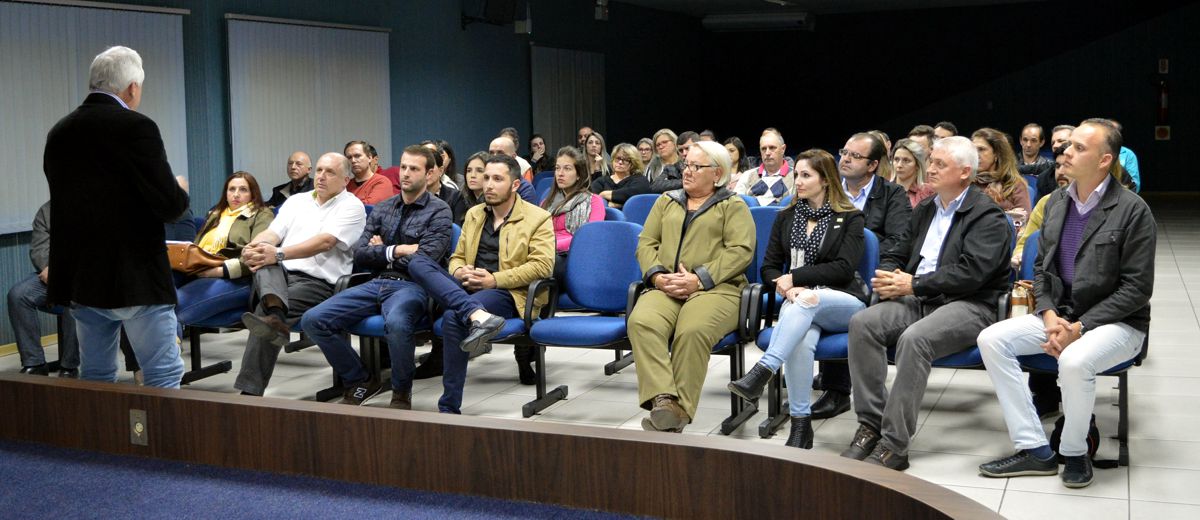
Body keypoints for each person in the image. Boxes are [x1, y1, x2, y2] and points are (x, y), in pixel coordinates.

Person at [977, 119, 1154, 489]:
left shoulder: (1132, 210)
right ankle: (1034, 449)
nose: (1065, 152)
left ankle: (1074, 452)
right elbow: (1042, 269)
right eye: (1067, 145)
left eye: (1078, 148)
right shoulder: (1057, 202)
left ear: (1104, 160)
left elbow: (1136, 289)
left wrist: (1079, 327)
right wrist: (1049, 314)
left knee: (1073, 360)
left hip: (1119, 323)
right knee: (991, 339)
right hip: (1063, 315)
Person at [843, 135, 1012, 471]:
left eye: (940, 164)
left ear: (964, 172)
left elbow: (971, 273)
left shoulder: (987, 215)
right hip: (920, 296)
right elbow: (898, 249)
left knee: (914, 339)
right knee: (863, 324)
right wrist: (889, 275)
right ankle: (870, 424)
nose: (930, 169)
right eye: (931, 161)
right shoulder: (926, 208)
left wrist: (914, 284)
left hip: (970, 304)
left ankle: (894, 444)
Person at [43, 46, 190, 388]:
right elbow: (170, 205)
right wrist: (179, 188)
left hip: (83, 277)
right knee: (162, 374)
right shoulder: (137, 127)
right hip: (134, 274)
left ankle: (100, 428)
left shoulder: (59, 132)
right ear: (132, 88)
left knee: (96, 376)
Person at [726, 149, 867, 448]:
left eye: (806, 175)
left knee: (804, 302)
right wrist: (787, 287)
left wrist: (796, 278)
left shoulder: (850, 217)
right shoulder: (786, 217)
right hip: (801, 302)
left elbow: (844, 268)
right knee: (801, 339)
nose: (798, 181)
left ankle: (763, 370)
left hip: (843, 301)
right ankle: (801, 428)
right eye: (797, 175)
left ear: (826, 180)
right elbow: (769, 267)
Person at [303, 145, 453, 408]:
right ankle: (360, 379)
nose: (405, 173)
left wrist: (382, 250)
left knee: (397, 323)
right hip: (376, 282)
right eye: (403, 167)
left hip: (413, 286)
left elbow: (425, 259)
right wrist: (398, 250)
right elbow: (359, 254)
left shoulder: (439, 211)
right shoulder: (383, 208)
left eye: (414, 168)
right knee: (313, 319)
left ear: (429, 174)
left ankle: (401, 392)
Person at [405, 154, 555, 413]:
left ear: (515, 185)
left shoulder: (538, 218)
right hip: (467, 287)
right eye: (486, 178)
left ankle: (449, 406)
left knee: (453, 317)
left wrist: (494, 279)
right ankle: (474, 313)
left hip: (507, 292)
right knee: (417, 262)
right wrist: (459, 270)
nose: (488, 185)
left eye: (497, 179)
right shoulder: (475, 214)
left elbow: (542, 267)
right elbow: (457, 256)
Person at [628, 141, 754, 433]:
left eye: (697, 166)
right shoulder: (666, 201)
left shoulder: (733, 205)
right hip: (667, 285)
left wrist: (699, 279)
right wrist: (657, 276)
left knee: (692, 330)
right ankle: (665, 400)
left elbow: (741, 251)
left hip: (718, 289)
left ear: (717, 173)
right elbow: (646, 243)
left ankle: (676, 416)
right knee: (642, 321)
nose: (687, 171)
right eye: (687, 165)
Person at [233, 153, 366, 396]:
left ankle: (250, 393)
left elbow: (325, 242)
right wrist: (254, 247)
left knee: (263, 313)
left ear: (346, 180)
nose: (321, 176)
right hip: (279, 275)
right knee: (264, 261)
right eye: (320, 170)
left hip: (318, 283)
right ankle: (276, 317)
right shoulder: (297, 201)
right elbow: (273, 234)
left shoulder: (352, 206)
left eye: (330, 172)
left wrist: (278, 253)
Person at [810, 132, 912, 420]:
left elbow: (898, 241)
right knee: (814, 291)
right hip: (830, 271)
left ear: (872, 165)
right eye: (844, 152)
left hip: (870, 273)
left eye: (855, 156)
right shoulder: (826, 190)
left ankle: (837, 389)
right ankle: (811, 366)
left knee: (842, 291)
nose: (845, 159)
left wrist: (860, 260)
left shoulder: (892, 194)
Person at [175, 172, 276, 327]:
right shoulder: (216, 214)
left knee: (176, 311)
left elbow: (257, 255)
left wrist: (219, 271)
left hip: (236, 277)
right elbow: (197, 245)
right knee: (158, 302)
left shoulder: (262, 214)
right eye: (231, 189)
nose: (236, 194)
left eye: (243, 189)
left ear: (253, 193)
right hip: (200, 270)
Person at [8, 202, 79, 377]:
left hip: (83, 279)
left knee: (75, 296)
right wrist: (48, 268)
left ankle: (69, 366)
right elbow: (39, 248)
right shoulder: (47, 211)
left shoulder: (94, 206)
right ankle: (35, 363)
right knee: (18, 295)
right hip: (54, 276)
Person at [544, 147, 606, 281]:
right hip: (545, 251)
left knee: (545, 264)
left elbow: (588, 237)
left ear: (579, 175)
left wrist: (550, 244)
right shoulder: (547, 202)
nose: (560, 173)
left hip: (573, 256)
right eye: (557, 168)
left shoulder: (593, 201)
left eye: (567, 169)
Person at [972, 128, 1033, 229]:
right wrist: (1008, 214)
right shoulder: (965, 183)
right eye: (973, 150)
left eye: (981, 149)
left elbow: (1022, 222)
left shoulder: (1014, 185)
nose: (976, 155)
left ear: (997, 154)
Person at [734, 129, 793, 206]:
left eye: (772, 148)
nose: (767, 153)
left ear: (783, 149)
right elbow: (735, 204)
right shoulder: (747, 175)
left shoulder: (796, 176)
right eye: (764, 149)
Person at [421, 140, 469, 224]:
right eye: (422, 168)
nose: (426, 172)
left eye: (431, 167)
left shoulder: (455, 197)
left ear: (441, 170)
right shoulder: (412, 197)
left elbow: (457, 227)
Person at [592, 143, 651, 209]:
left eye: (625, 160)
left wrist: (604, 194)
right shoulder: (601, 181)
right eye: (617, 158)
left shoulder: (640, 179)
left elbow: (636, 193)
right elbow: (592, 199)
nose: (620, 162)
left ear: (633, 163)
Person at [344, 140, 395, 205]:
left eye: (357, 156)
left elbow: (369, 207)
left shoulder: (382, 181)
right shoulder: (346, 186)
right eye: (349, 157)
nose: (353, 160)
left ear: (369, 158)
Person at [891, 138, 935, 207]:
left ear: (917, 165)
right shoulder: (883, 190)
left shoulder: (928, 192)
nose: (899, 165)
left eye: (906, 160)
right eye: (896, 159)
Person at [645, 128, 683, 194]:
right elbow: (649, 190)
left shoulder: (685, 160)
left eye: (665, 142)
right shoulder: (652, 166)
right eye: (658, 145)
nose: (661, 147)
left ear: (674, 142)